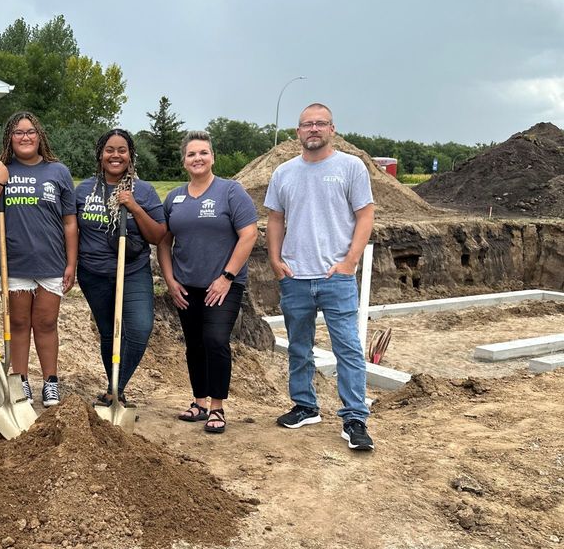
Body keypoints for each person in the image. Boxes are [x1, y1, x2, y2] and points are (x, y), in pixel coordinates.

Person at [264, 103, 375, 451]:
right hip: (295, 276)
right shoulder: (283, 172)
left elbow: (365, 216)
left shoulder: (350, 167)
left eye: (320, 124)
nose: (313, 129)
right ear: (298, 132)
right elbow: (276, 219)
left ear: (332, 129)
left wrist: (348, 262)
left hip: (335, 277)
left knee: (348, 348)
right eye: (307, 124)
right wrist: (275, 259)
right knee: (299, 346)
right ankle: (305, 405)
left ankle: (354, 417)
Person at [0, 111, 77, 407]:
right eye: (18, 132)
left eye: (30, 131)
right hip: (13, 262)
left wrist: (72, 262)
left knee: (46, 323)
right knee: (17, 323)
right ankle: (21, 382)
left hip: (50, 261)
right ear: (9, 137)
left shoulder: (57, 172)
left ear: (39, 135)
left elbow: (70, 222)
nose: (25, 137)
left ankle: (50, 382)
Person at [158, 130, 259, 434]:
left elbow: (249, 234)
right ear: (184, 161)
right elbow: (163, 243)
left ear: (212, 157)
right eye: (191, 154)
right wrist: (170, 281)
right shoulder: (174, 197)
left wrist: (227, 276)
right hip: (187, 287)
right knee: (195, 345)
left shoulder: (231, 192)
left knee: (215, 341)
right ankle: (199, 401)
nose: (197, 158)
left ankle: (217, 406)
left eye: (203, 152)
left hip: (223, 285)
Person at [74, 128, 166, 406]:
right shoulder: (83, 190)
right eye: (109, 150)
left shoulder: (144, 190)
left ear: (130, 155)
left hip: (132, 271)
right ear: (100, 155)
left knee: (138, 329)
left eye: (122, 150)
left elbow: (158, 235)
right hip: (93, 274)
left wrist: (134, 207)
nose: (116, 155)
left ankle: (115, 387)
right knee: (109, 332)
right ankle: (115, 391)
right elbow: (71, 230)